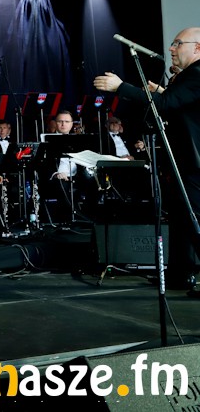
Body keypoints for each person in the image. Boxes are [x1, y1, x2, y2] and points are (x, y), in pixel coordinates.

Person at [94, 28, 200, 295]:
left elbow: (166, 104)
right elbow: (177, 105)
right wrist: (161, 92)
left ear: (197, 47)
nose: (172, 48)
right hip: (183, 161)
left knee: (193, 218)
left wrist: (121, 87)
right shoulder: (189, 76)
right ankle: (179, 276)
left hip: (193, 162)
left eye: (178, 43)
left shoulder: (197, 73)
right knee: (181, 219)